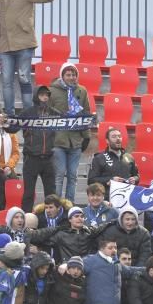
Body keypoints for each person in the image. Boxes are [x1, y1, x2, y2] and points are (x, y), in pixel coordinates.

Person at [0, 0, 57, 112]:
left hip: (24, 45)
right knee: (6, 82)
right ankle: (9, 113)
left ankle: (29, 113)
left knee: (24, 79)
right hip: (5, 47)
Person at [48, 64, 91, 202]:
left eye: (74, 75)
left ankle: (69, 205)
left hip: (76, 140)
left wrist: (86, 137)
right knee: (59, 174)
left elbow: (86, 114)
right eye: (68, 75)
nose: (71, 77)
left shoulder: (82, 91)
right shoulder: (52, 91)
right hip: (58, 140)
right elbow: (46, 115)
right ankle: (56, 204)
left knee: (73, 175)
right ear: (62, 76)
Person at [17, 84, 61, 210]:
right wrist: (4, 122)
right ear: (36, 96)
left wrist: (85, 120)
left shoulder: (55, 114)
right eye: (42, 94)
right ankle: (26, 219)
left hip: (48, 158)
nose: (45, 97)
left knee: (51, 194)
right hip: (31, 158)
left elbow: (71, 123)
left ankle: (52, 221)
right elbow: (12, 128)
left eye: (47, 95)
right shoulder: (27, 113)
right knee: (29, 193)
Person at [88, 127, 139, 198]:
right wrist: (110, 180)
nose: (118, 138)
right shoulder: (99, 158)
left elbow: (137, 176)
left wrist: (135, 179)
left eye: (119, 136)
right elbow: (91, 180)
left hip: (127, 197)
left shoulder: (129, 157)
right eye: (114, 137)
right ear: (107, 141)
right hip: (107, 198)